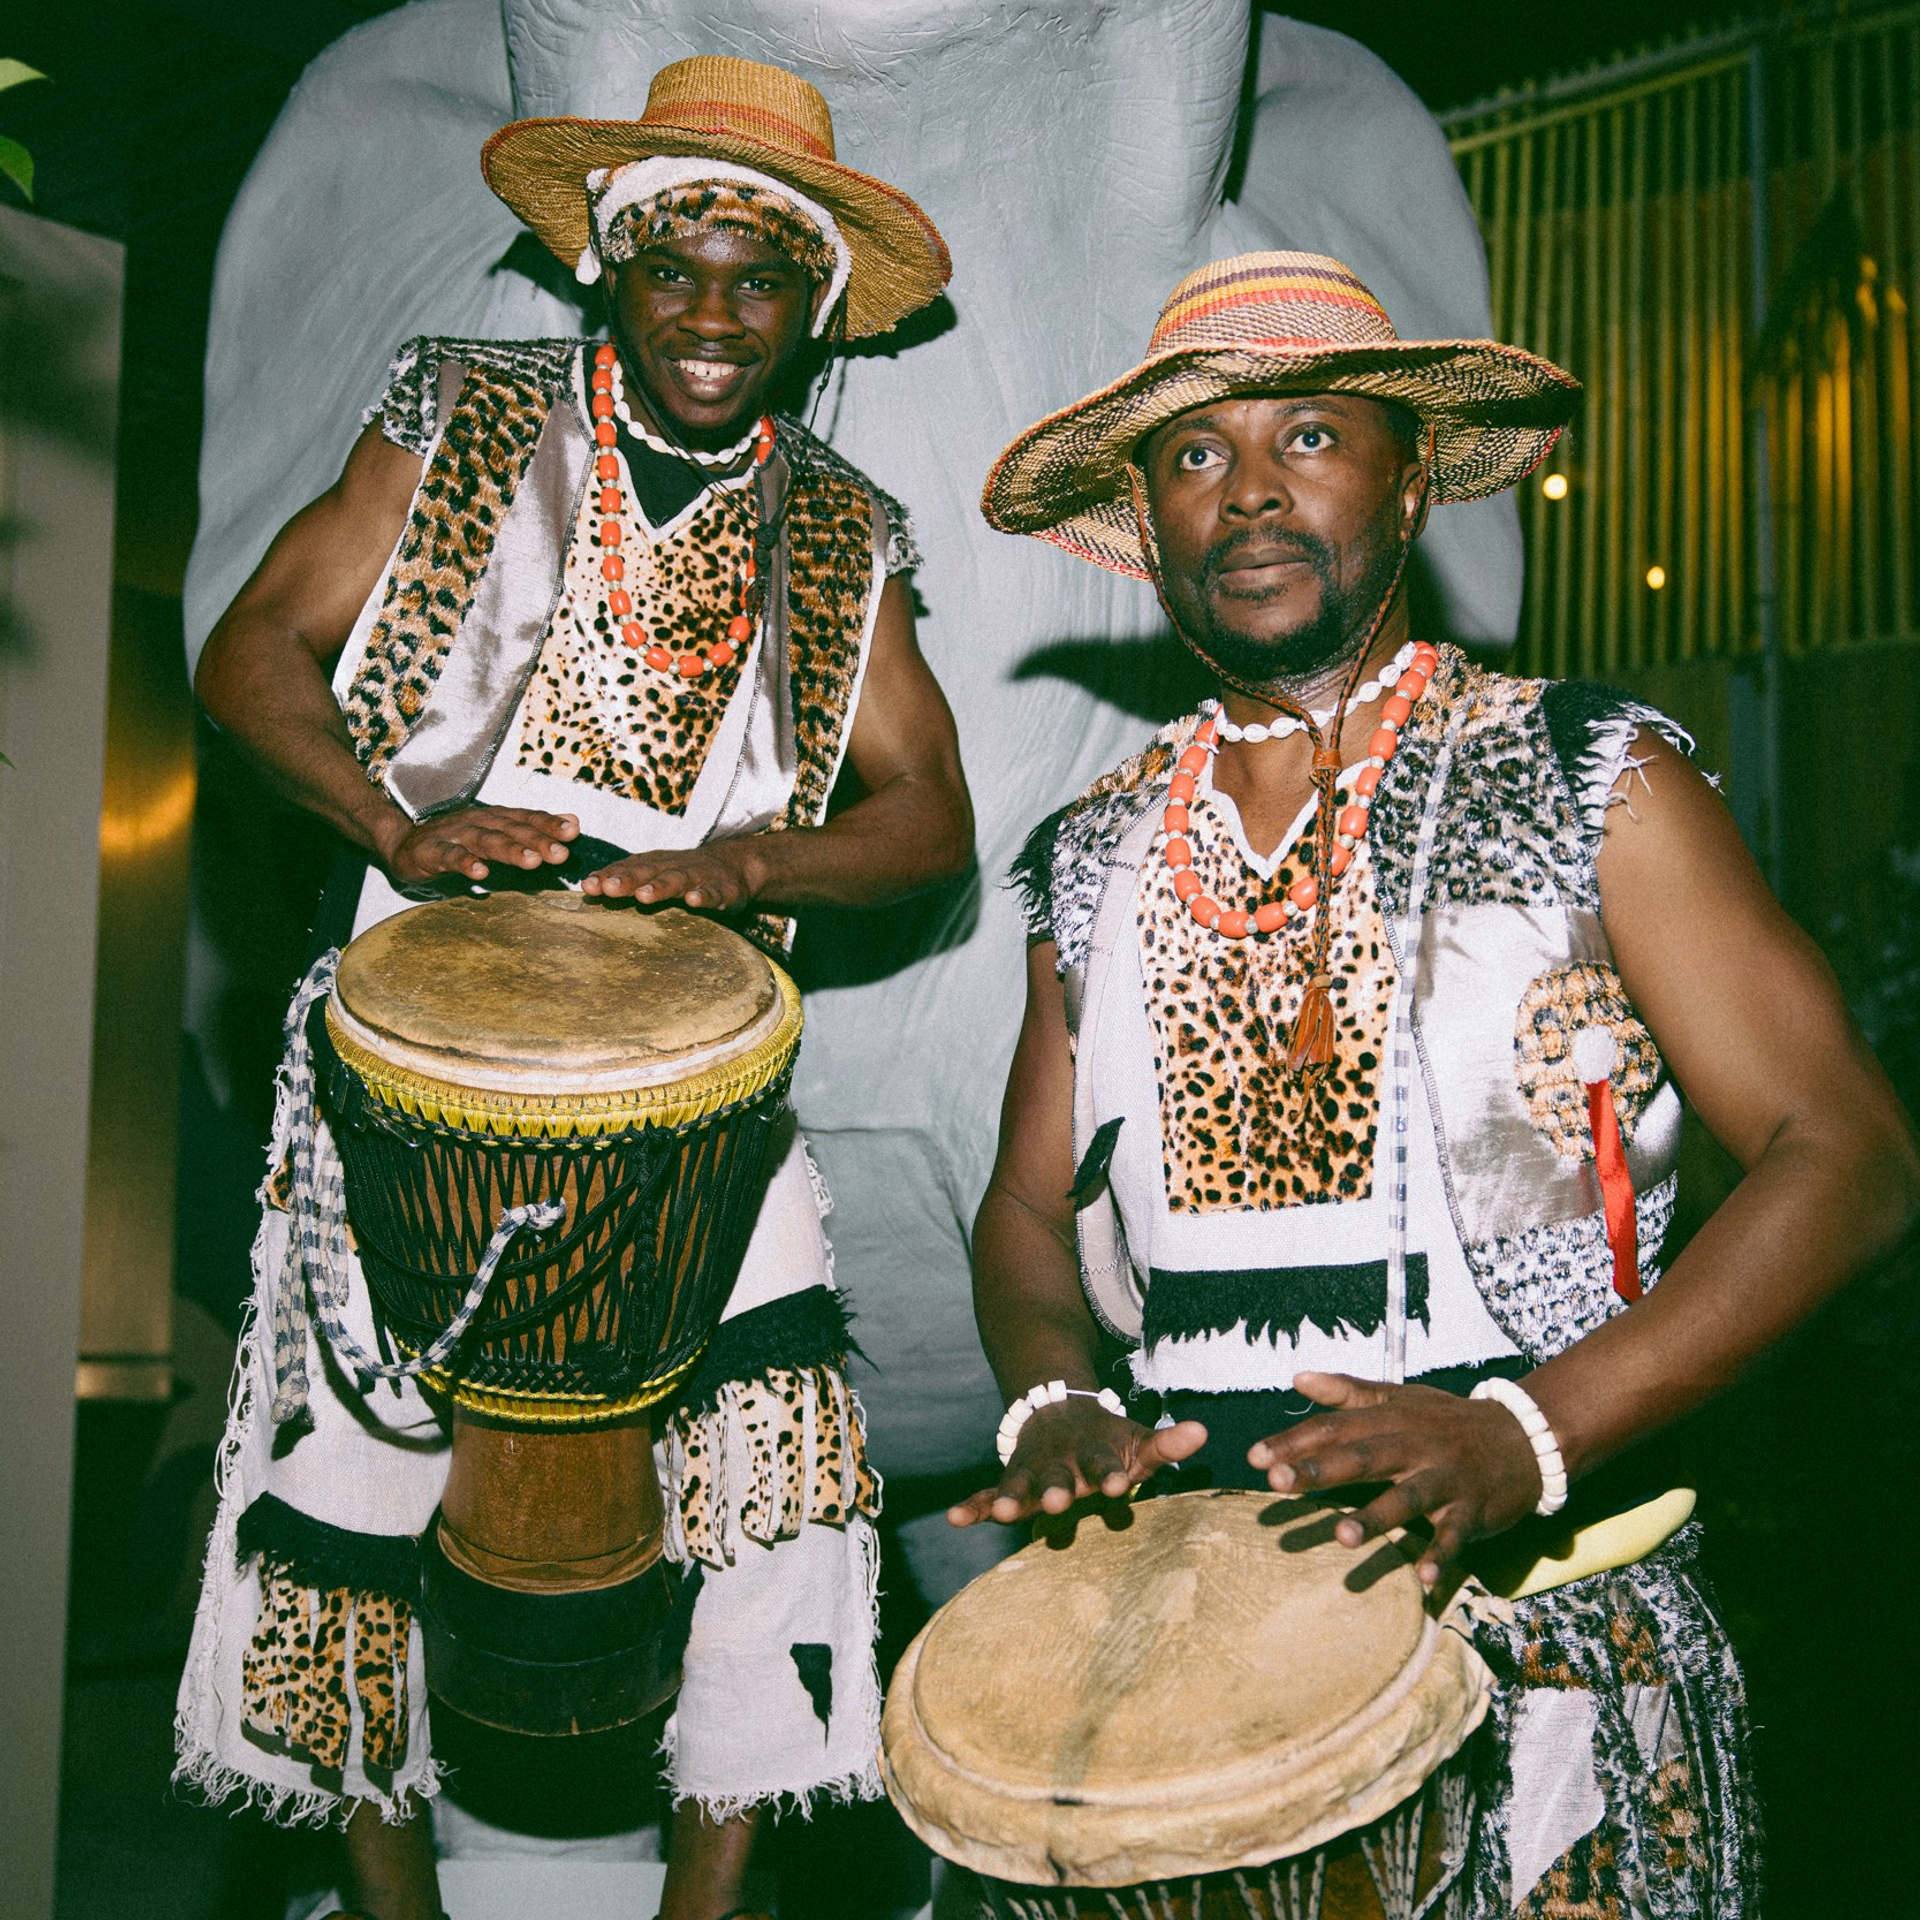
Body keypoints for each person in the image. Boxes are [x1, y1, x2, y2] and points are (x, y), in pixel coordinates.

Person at [951, 251, 1918, 1914]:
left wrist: (1527, 1437)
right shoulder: (1091, 857)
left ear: (1407, 489)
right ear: (1152, 523)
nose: (1248, 492)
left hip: (1553, 1634)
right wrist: (1056, 1400)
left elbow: (1851, 1155)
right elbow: (1029, 1220)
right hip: (1200, 1663)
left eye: (1309, 437)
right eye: (1195, 455)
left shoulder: (1582, 774)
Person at [174, 55, 971, 1920]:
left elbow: (929, 822)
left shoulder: (842, 533)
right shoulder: (466, 421)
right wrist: (398, 820)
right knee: (352, 1482)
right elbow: (252, 653)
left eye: (761, 274)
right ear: (612, 268)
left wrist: (750, 865)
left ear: (813, 306)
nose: (715, 308)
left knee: (784, 1492)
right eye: (677, 261)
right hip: (413, 1034)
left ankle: (705, 1906)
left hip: (700, 1070)